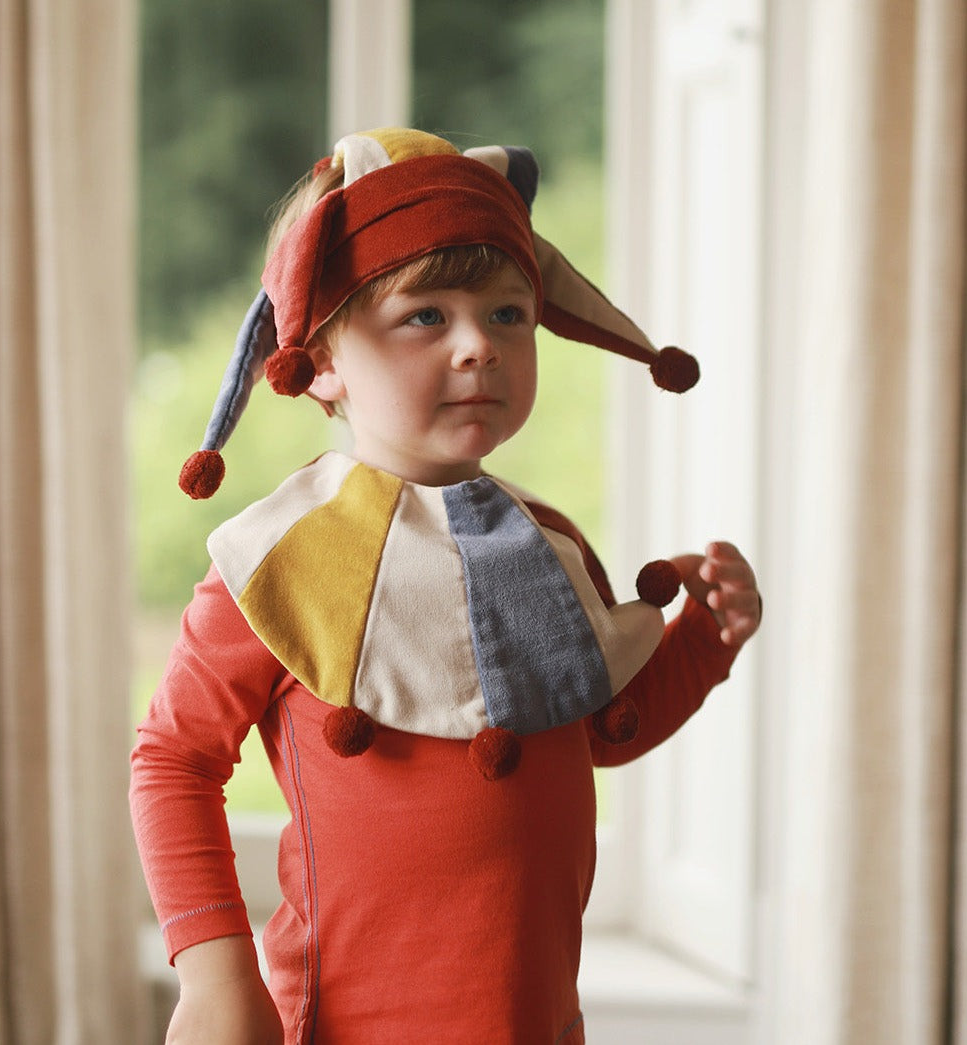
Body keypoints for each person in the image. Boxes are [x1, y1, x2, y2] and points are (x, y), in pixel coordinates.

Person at [130, 127, 762, 1045]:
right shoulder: (274, 560)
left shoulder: (547, 545)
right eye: (426, 315)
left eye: (508, 313)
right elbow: (173, 760)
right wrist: (217, 973)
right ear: (324, 359)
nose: (479, 344)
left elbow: (596, 731)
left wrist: (704, 641)